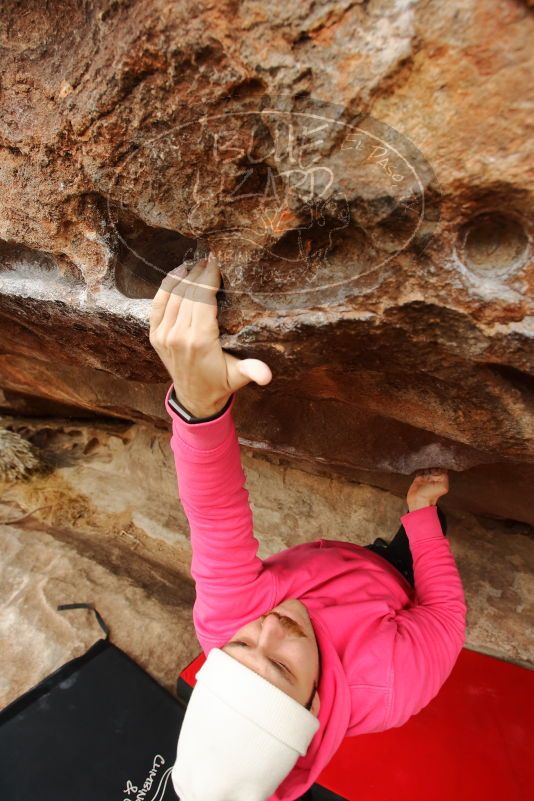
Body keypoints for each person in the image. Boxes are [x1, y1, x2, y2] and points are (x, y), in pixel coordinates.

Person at [149, 253, 467, 801]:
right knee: (409, 551)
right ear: (313, 709)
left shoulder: (225, 624)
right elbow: (444, 614)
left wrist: (201, 406)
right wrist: (420, 523)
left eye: (243, 645)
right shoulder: (392, 685)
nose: (271, 624)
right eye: (278, 665)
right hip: (394, 589)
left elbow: (214, 512)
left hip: (340, 562)